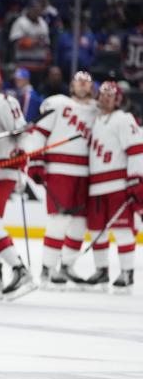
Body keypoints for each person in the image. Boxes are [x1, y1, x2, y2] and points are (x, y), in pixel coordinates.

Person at [23, 71, 98, 288]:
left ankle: (67, 266)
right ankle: (47, 268)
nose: (83, 85)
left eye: (87, 82)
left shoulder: (96, 112)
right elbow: (38, 134)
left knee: (80, 223)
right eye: (79, 81)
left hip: (85, 173)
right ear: (72, 85)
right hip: (60, 171)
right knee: (59, 220)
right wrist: (36, 163)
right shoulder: (58, 104)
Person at [0, 62, 35, 297]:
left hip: (4, 171)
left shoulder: (5, 102)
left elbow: (22, 133)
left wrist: (22, 156)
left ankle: (19, 269)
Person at [84, 82, 140, 291]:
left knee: (122, 229)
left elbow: (136, 150)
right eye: (103, 95)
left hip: (117, 184)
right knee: (96, 229)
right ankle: (101, 270)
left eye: (111, 95)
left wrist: (135, 180)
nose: (106, 98)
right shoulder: (95, 120)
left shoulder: (123, 119)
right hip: (96, 186)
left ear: (118, 99)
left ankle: (127, 272)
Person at [9, 0, 51, 77]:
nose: (37, 13)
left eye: (38, 10)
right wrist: (34, 42)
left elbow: (47, 43)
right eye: (35, 10)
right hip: (24, 65)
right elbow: (16, 43)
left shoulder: (43, 23)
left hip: (39, 66)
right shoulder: (20, 22)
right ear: (29, 9)